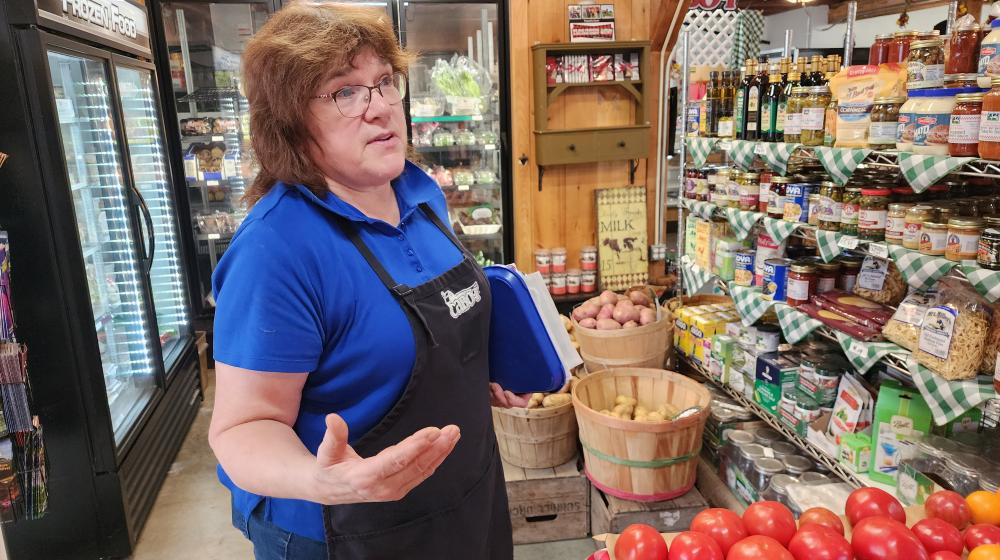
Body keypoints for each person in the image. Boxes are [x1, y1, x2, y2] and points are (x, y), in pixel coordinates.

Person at [207, 4, 526, 559]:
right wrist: (322, 481)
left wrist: (476, 370)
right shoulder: (277, 248)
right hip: (345, 531)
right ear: (288, 121)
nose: (380, 108)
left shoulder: (419, 196)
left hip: (465, 496)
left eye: (383, 82)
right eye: (344, 92)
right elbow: (241, 428)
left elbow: (412, 336)